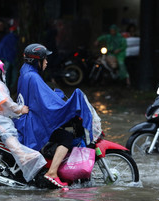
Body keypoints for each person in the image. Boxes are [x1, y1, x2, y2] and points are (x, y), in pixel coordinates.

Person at [14, 44, 102, 188]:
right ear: (37, 61)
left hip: (26, 120)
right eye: (45, 59)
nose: (47, 62)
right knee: (65, 137)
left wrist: (55, 96)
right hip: (33, 125)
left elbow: (41, 98)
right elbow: (48, 105)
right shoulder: (33, 77)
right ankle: (52, 172)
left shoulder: (25, 72)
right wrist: (70, 105)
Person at [0, 57, 46, 182]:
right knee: (7, 131)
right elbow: (6, 103)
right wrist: (20, 109)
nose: (4, 72)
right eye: (2, 70)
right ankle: (22, 156)